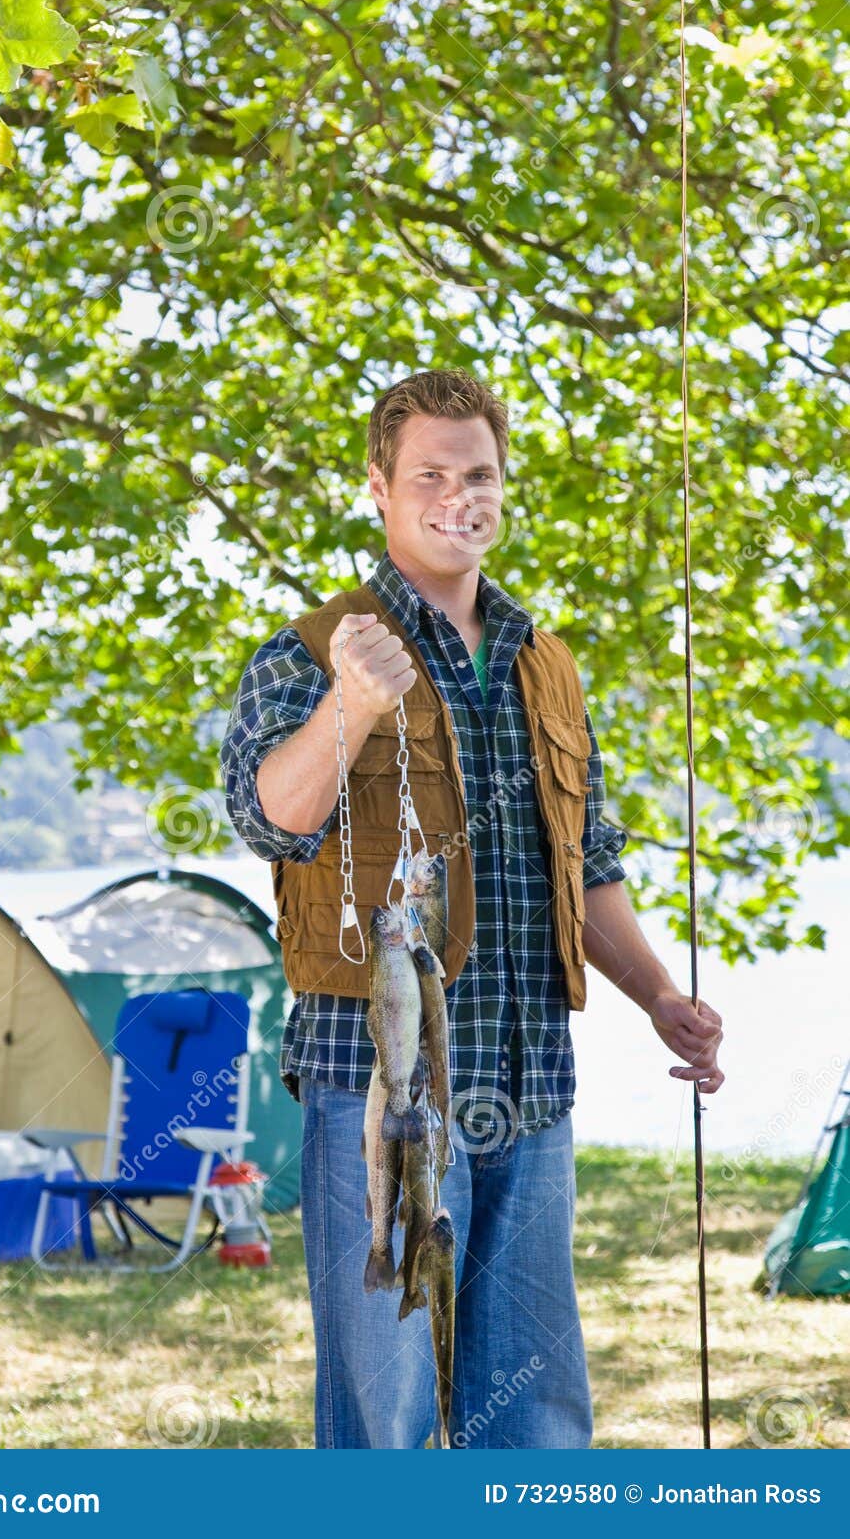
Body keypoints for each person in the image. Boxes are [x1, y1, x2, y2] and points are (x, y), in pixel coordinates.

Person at [221, 368, 724, 1449]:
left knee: (536, 1417)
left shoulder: (547, 665)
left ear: (502, 484)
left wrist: (657, 997)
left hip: (529, 1079)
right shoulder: (312, 650)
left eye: (479, 473)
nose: (459, 495)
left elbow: (582, 863)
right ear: (378, 487)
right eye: (429, 474)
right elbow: (269, 820)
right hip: (383, 1096)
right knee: (385, 1414)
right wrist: (351, 710)